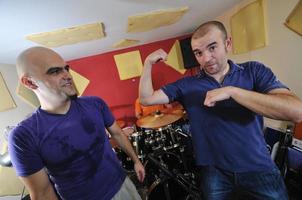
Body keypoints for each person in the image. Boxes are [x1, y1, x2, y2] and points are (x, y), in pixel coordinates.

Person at [138, 21, 302, 200]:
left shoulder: (253, 71)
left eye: (212, 47)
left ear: (228, 44)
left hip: (258, 167)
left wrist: (232, 92)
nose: (206, 58)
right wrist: (147, 64)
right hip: (215, 173)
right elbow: (147, 99)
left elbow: (296, 112)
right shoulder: (187, 85)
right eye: (198, 53)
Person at [8, 46, 145, 200]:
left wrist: (136, 161)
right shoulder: (23, 136)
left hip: (122, 185)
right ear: (30, 82)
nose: (68, 75)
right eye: (55, 71)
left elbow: (118, 133)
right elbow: (43, 194)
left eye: (66, 69)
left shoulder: (95, 104)